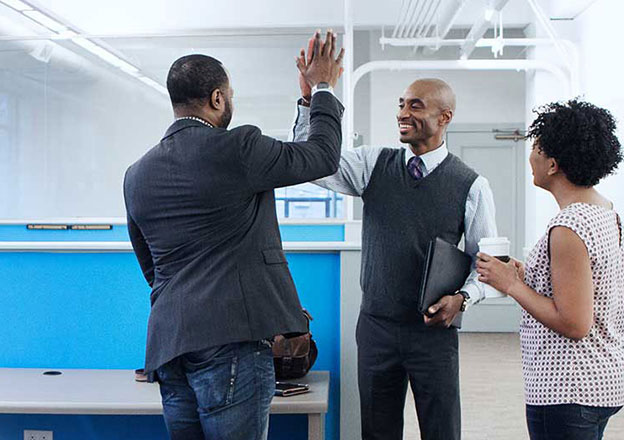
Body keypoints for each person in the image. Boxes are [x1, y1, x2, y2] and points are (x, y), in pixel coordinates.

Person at [123, 31, 344, 440]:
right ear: (217, 99)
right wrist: (324, 88)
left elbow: (151, 268)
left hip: (169, 345)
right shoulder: (238, 148)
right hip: (232, 346)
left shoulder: (136, 174)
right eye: (229, 94)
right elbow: (322, 157)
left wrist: (306, 101)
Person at [292, 39, 498, 440]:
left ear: (445, 117)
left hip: (433, 334)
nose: (403, 113)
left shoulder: (471, 185)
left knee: (441, 432)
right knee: (378, 431)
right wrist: (309, 102)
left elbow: (487, 264)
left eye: (415, 105)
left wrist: (464, 299)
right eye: (402, 104)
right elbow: (311, 162)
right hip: (376, 329)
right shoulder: (373, 164)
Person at [476, 99, 624, 440]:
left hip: (568, 387)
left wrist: (512, 286)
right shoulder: (604, 211)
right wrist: (521, 274)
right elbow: (582, 287)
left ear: (553, 165)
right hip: (600, 379)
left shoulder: (569, 226)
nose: (530, 156)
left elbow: (574, 323)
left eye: (535, 148)